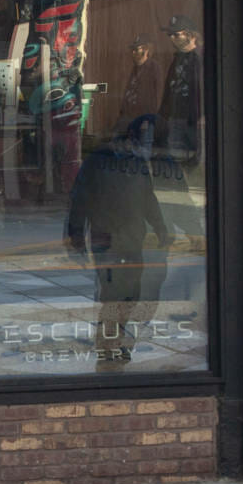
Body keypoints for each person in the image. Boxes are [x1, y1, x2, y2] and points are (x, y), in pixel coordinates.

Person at [66, 120, 169, 370]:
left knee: (131, 293)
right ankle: (105, 346)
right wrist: (76, 234)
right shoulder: (96, 163)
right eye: (134, 140)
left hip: (133, 239)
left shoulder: (137, 164)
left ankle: (120, 341)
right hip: (106, 238)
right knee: (112, 295)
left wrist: (160, 228)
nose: (137, 146)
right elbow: (80, 199)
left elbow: (149, 200)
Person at [153, 14, 205, 248]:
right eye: (171, 35)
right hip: (175, 122)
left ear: (191, 35)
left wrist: (202, 119)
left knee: (186, 179)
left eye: (177, 34)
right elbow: (168, 93)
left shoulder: (199, 59)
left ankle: (193, 231)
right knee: (172, 178)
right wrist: (161, 120)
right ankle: (183, 230)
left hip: (192, 124)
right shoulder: (177, 60)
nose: (173, 38)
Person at [115, 34, 162, 136]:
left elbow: (157, 96)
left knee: (143, 147)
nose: (133, 52)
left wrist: (148, 119)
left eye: (136, 49)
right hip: (128, 118)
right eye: (132, 50)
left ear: (146, 50)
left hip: (143, 119)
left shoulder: (153, 68)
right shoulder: (135, 68)